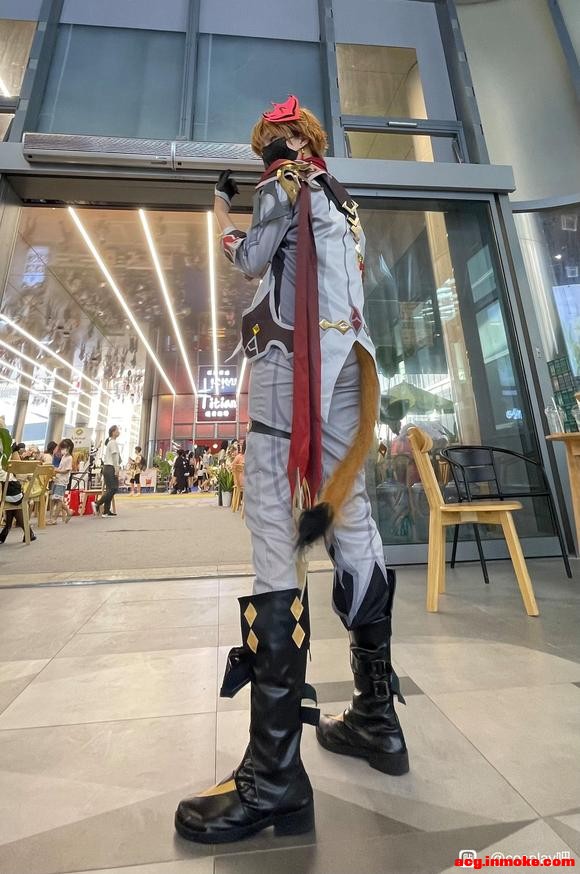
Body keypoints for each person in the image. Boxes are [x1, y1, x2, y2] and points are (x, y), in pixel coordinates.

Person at [175, 96, 408, 845]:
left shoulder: (281, 185)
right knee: (352, 515)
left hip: (292, 368)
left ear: (274, 144)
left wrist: (222, 217)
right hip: (349, 365)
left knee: (274, 522)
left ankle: (274, 775)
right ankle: (377, 718)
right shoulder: (341, 196)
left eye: (267, 146)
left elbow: (250, 261)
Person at [94, 425, 120, 517]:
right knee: (113, 488)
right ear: (113, 432)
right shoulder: (112, 442)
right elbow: (114, 456)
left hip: (107, 467)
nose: (119, 432)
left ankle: (106, 511)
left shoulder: (111, 442)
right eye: (117, 430)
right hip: (110, 467)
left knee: (110, 489)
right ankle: (98, 503)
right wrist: (116, 468)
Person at [47, 438, 73, 525]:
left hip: (62, 481)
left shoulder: (69, 458)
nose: (62, 450)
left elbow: (67, 470)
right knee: (54, 498)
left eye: (63, 448)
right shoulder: (64, 457)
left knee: (58, 500)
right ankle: (68, 511)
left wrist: (57, 471)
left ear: (69, 448)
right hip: (57, 479)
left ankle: (54, 519)